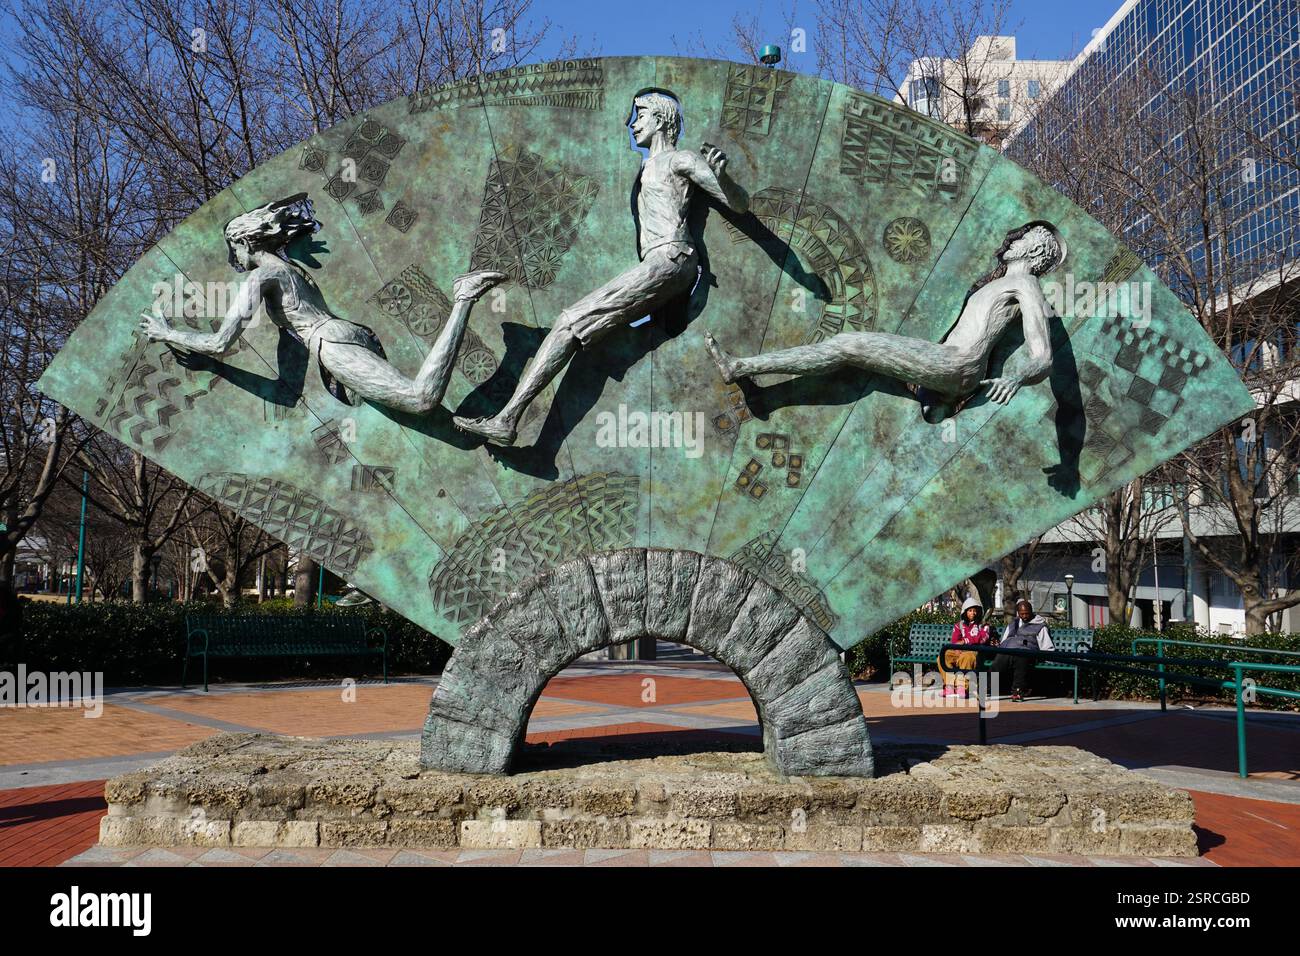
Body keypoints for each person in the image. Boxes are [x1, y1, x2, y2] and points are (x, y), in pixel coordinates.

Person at [453, 91, 750, 445]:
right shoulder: (645, 167)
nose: (632, 123)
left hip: (671, 259)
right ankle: (511, 422)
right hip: (663, 263)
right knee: (579, 334)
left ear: (660, 121)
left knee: (567, 324)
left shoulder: (679, 160)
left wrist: (724, 177)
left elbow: (738, 204)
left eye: (640, 115)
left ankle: (506, 420)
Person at [139, 193, 506, 414]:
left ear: (248, 242)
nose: (234, 256)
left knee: (421, 398)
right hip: (349, 333)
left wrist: (167, 332)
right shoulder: (291, 269)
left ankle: (464, 297)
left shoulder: (262, 277)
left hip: (330, 344)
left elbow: (220, 342)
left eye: (234, 247)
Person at [705, 221, 1064, 423]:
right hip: (946, 366)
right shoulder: (1003, 282)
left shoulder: (1025, 284)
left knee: (848, 345)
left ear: (1034, 250)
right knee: (855, 357)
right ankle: (934, 406)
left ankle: (741, 366)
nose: (1010, 241)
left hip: (957, 364)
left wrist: (1017, 377)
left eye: (1019, 239)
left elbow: (1043, 356)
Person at [994, 598, 1054, 702]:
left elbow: (1047, 645)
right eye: (1022, 614)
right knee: (998, 662)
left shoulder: (1040, 625)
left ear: (1031, 612)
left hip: (1027, 652)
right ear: (1018, 613)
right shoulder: (1013, 623)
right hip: (1009, 650)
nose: (1024, 616)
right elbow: (1004, 639)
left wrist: (1047, 657)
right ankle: (983, 688)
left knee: (1021, 659)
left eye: (1027, 613)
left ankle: (1017, 691)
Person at [939, 594, 989, 698]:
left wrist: (964, 642)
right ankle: (949, 686)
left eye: (975, 611)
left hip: (975, 652)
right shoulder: (959, 625)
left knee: (966, 657)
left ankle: (963, 687)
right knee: (943, 656)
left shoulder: (983, 625)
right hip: (960, 650)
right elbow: (954, 641)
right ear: (965, 612)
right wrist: (957, 647)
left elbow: (981, 639)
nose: (973, 613)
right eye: (970, 611)